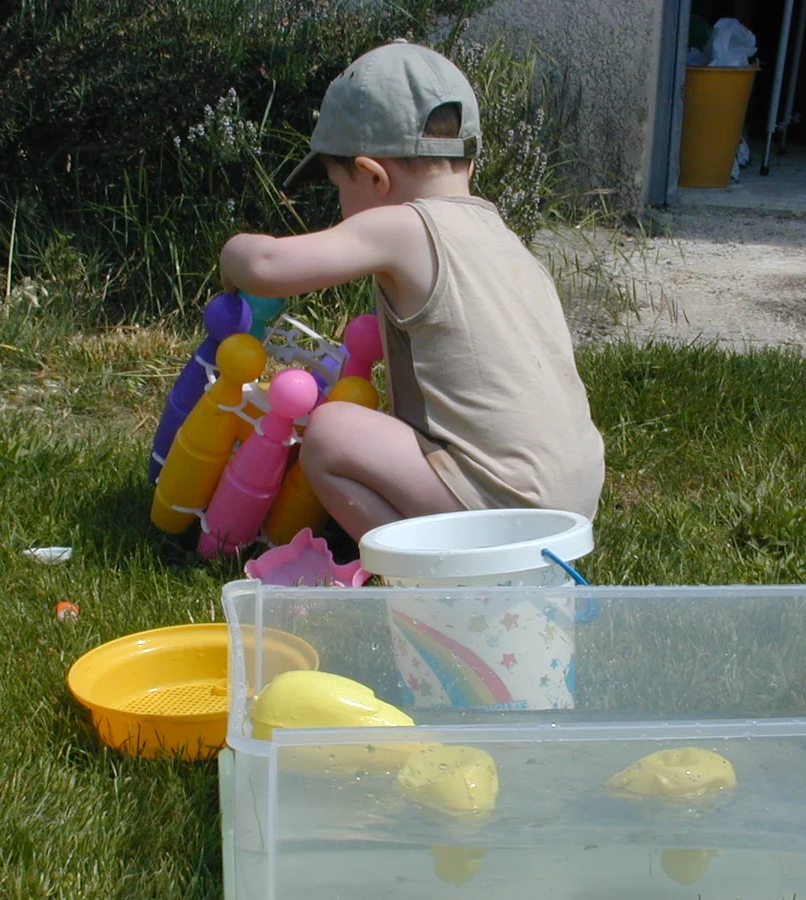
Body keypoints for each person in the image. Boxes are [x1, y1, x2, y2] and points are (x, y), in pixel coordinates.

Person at [219, 40, 604, 540]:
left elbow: (267, 266)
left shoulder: (401, 226)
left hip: (503, 508)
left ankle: (429, 569)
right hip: (572, 506)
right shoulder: (505, 240)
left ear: (373, 176)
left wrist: (233, 253)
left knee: (330, 435)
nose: (340, 203)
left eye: (338, 187)